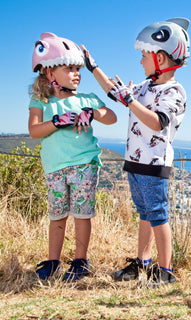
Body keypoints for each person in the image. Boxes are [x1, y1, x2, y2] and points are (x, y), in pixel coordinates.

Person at [82, 17, 190, 286]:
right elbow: (113, 91)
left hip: (154, 165)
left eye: (145, 55)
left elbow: (157, 122)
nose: (141, 61)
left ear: (161, 59)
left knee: (158, 215)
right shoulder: (144, 87)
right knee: (145, 214)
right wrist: (93, 68)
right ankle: (142, 263)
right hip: (135, 162)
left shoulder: (174, 91)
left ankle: (165, 271)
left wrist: (130, 100)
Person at [28, 32, 117, 282]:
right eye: (70, 68)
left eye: (78, 69)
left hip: (84, 165)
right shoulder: (41, 100)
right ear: (50, 73)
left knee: (81, 213)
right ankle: (53, 261)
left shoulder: (87, 99)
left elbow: (111, 117)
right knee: (56, 215)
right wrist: (57, 121)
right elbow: (34, 130)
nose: (77, 73)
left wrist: (93, 113)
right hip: (54, 167)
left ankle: (80, 260)